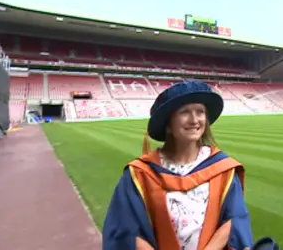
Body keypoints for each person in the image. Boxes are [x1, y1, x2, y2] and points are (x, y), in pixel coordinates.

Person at [102, 80, 254, 250]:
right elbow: (125, 228)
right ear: (168, 124)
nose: (194, 120)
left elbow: (235, 218)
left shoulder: (222, 169)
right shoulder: (140, 173)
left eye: (200, 112)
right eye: (185, 112)